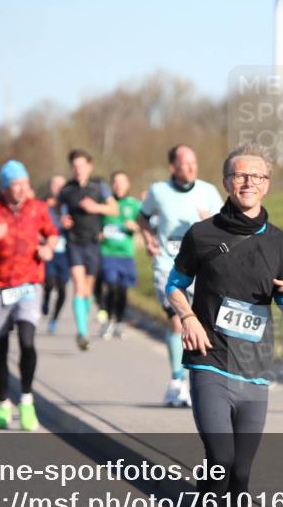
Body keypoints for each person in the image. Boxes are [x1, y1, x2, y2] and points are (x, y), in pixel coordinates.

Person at [167, 143, 283, 507]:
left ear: (267, 184)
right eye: (239, 175)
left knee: (239, 476)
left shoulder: (282, 243)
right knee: (221, 461)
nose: (248, 182)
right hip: (209, 362)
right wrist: (187, 317)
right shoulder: (202, 235)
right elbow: (174, 286)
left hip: (255, 372)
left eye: (257, 176)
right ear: (227, 182)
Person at [0, 160, 59, 431]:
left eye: (24, 184)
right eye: (15, 185)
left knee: (27, 339)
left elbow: (52, 234)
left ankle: (27, 400)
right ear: (4, 187)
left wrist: (48, 250)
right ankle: (3, 402)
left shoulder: (38, 208)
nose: (21, 190)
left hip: (29, 283)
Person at [137, 144, 224, 407]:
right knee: (178, 320)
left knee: (201, 324)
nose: (190, 168)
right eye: (184, 164)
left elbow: (225, 227)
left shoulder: (208, 192)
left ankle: (197, 380)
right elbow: (142, 217)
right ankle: (176, 381)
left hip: (202, 269)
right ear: (173, 167)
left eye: (193, 163)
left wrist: (210, 220)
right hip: (168, 266)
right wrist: (148, 238)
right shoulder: (158, 192)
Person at [57, 150, 118, 350]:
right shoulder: (66, 190)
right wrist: (62, 220)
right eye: (74, 167)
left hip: (93, 242)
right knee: (78, 285)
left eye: (81, 166)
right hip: (74, 242)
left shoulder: (99, 186)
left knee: (87, 289)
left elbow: (114, 209)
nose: (78, 170)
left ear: (89, 166)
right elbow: (57, 210)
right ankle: (82, 332)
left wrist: (95, 208)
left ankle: (84, 327)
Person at [98, 171, 142, 339]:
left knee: (123, 290)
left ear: (128, 184)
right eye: (115, 182)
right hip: (108, 253)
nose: (118, 185)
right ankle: (109, 320)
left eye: (122, 182)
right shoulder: (105, 205)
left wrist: (136, 227)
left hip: (126, 254)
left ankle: (120, 321)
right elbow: (96, 225)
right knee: (111, 284)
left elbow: (144, 223)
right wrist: (98, 233)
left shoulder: (134, 204)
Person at [42, 175, 71, 334]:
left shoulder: (69, 205)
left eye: (61, 185)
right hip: (48, 251)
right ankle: (46, 297)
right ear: (50, 187)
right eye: (55, 185)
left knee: (62, 289)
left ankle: (54, 319)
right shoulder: (42, 206)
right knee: (49, 281)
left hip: (65, 252)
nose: (58, 188)